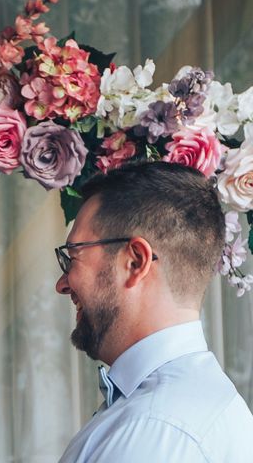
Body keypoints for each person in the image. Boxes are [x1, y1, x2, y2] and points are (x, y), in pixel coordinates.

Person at [55, 162, 253, 462]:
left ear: (135, 262)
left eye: (73, 257)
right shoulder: (184, 409)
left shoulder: (152, 430)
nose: (61, 284)